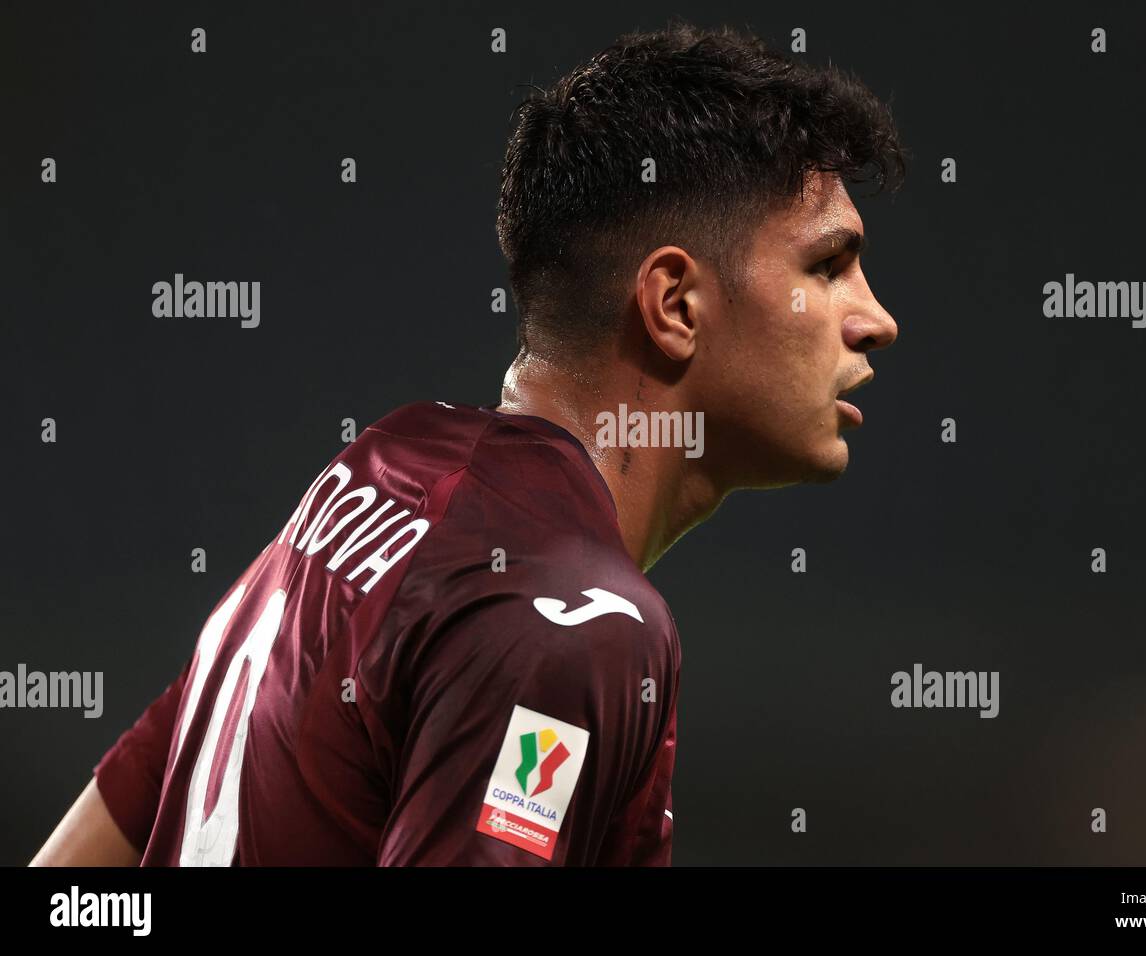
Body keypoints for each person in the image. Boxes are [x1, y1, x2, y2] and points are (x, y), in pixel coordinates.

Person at [31, 18, 903, 867]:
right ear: (674, 305)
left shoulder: (378, 469)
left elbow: (112, 831)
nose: (877, 320)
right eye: (826, 267)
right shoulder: (582, 623)